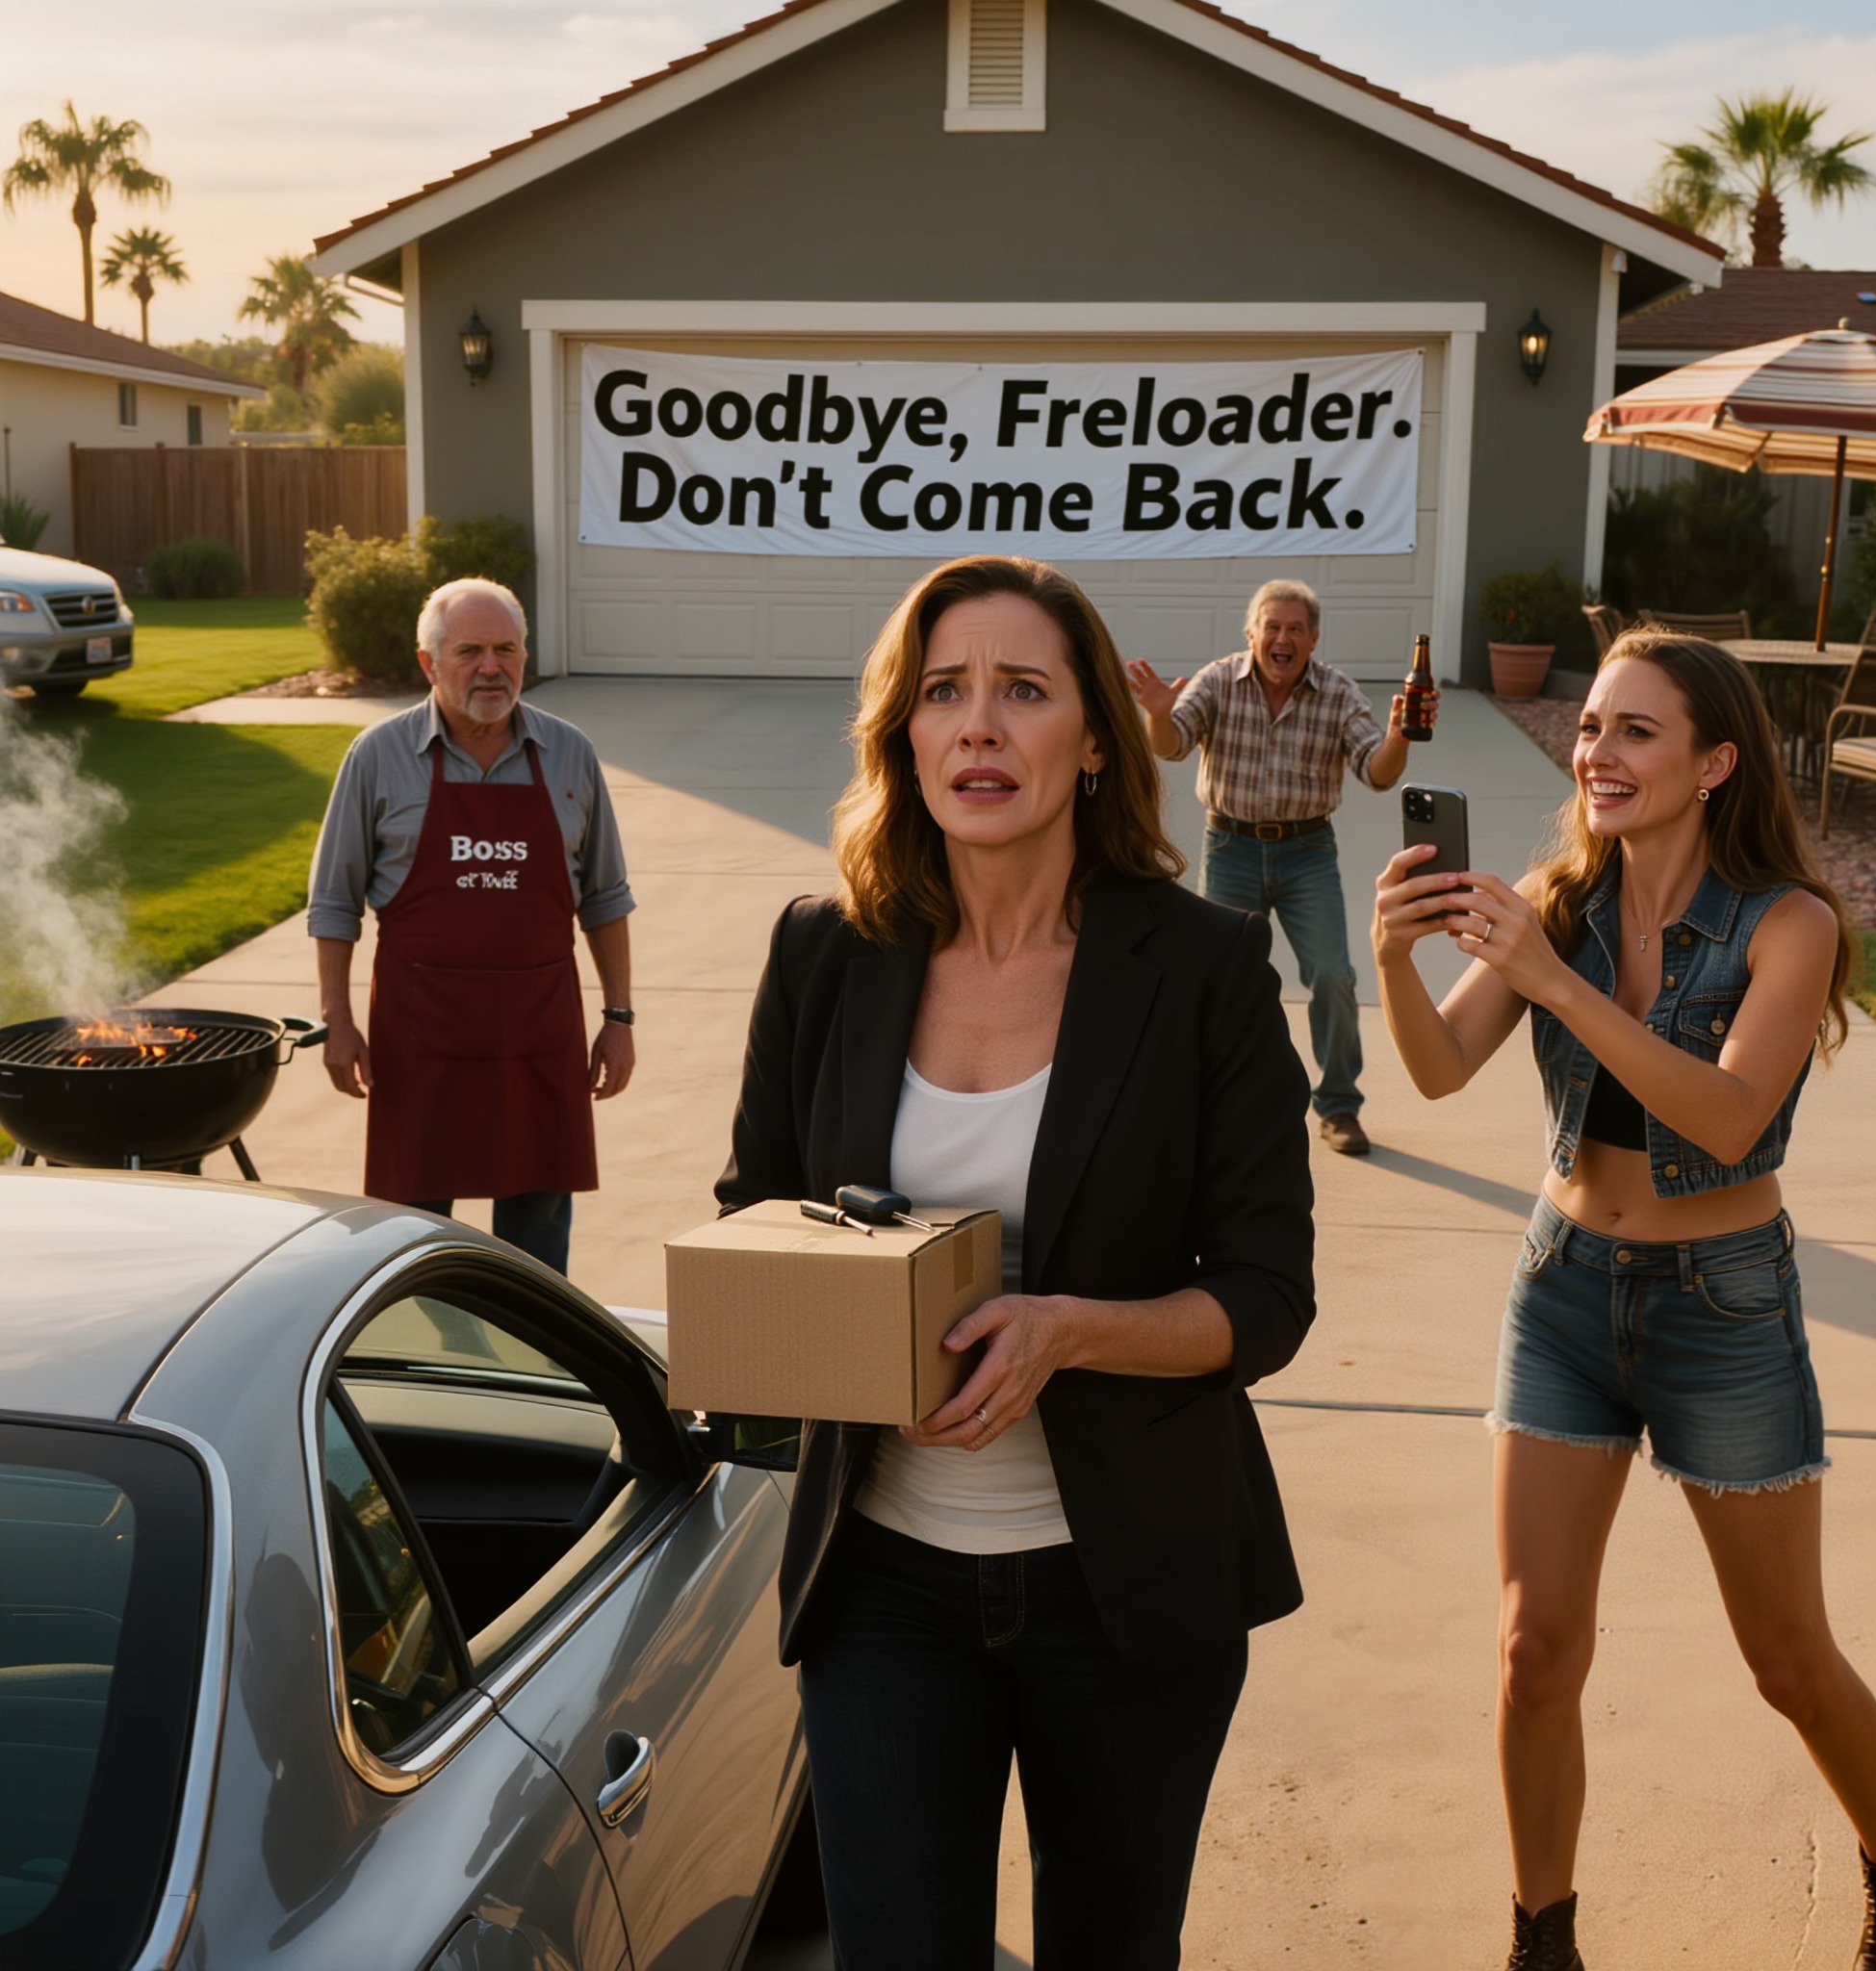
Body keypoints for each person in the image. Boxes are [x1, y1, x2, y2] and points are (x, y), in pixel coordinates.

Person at [716, 554, 1315, 1968]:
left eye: (1022, 691)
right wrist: (838, 1322)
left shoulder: (1208, 968)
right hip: (883, 1584)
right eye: (943, 693)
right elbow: (758, 1207)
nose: (977, 725)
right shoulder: (824, 954)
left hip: (1130, 1591)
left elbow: (1267, 1296)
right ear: (904, 736)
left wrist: (1065, 1330)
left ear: (1095, 740)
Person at [1371, 630, 1876, 1971]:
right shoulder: (1556, 899)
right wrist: (1398, 954)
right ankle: (1543, 1937)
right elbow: (1442, 1069)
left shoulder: (1789, 926)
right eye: (1591, 731)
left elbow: (1734, 1117)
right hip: (1562, 1291)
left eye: (1635, 731)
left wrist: (1552, 979)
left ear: (1713, 763)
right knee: (1532, 1652)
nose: (1597, 754)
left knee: (1788, 1660)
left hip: (1722, 1307)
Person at [307, 577, 636, 1274]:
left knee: (539, 1216)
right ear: (429, 664)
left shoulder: (569, 753)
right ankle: (432, 1357)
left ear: (525, 655)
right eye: (469, 652)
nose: (491, 667)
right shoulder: (378, 757)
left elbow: (604, 897)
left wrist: (619, 1017)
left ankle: (539, 1356)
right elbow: (334, 905)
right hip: (421, 1032)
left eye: (506, 649)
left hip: (538, 1030)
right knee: (414, 1229)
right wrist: (337, 1021)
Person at [1126, 578, 1433, 1157]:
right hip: (1230, 846)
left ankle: (1339, 1104)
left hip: (1307, 852)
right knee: (1212, 981)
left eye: (1295, 628)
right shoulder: (1220, 680)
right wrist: (1159, 715)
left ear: (1313, 639)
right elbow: (1170, 745)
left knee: (1334, 977)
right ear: (1252, 634)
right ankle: (1207, 1101)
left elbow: (1378, 772)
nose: (1283, 638)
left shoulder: (1339, 693)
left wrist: (1398, 737)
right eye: (1273, 626)